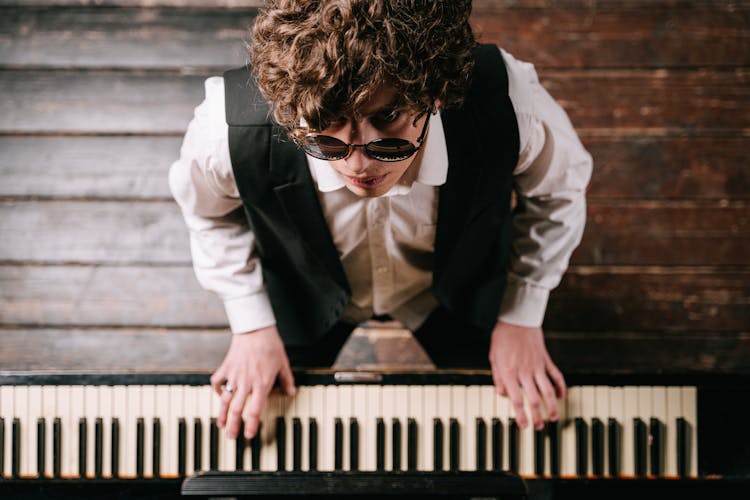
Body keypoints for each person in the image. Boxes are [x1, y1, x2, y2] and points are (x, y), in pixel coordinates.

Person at [169, 0, 592, 443]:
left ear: (434, 94)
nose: (358, 165)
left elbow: (558, 194)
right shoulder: (226, 128)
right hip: (303, 293)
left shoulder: (512, 104)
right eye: (326, 134)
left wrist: (522, 314)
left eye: (386, 119)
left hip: (461, 287)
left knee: (516, 435)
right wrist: (251, 323)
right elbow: (207, 213)